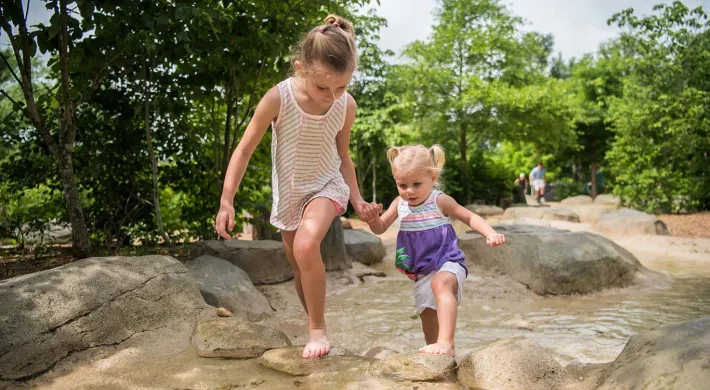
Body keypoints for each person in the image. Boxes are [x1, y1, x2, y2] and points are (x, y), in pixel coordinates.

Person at [214, 15, 381, 359]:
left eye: (341, 87)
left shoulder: (345, 106)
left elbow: (343, 155)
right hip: (289, 194)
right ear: (300, 67)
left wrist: (357, 197)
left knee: (306, 247)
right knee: (299, 264)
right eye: (324, 87)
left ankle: (317, 331)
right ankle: (315, 325)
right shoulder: (279, 98)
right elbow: (244, 150)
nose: (332, 96)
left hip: (327, 185)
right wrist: (226, 201)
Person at [364, 145, 506, 357]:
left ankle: (446, 342)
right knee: (428, 319)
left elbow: (469, 217)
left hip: (447, 261)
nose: (409, 190)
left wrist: (490, 233)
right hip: (421, 270)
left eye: (416, 184)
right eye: (402, 185)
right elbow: (380, 228)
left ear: (432, 177)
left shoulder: (439, 200)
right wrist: (372, 218)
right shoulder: (399, 204)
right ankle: (444, 354)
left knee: (440, 284)